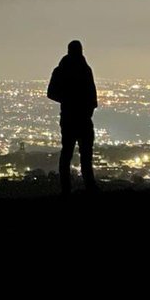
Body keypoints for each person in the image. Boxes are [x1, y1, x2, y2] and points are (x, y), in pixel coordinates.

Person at [47, 40, 99, 194]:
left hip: (71, 117)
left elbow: (51, 93)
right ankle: (87, 186)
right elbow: (92, 94)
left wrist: (67, 100)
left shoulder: (62, 70)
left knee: (69, 153)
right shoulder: (85, 69)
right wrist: (86, 107)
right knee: (83, 154)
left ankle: (67, 188)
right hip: (81, 118)